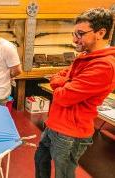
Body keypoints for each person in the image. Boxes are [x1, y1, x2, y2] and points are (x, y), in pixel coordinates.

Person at [35, 8, 115, 178]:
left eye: (80, 34)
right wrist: (65, 82)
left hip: (71, 133)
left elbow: (62, 96)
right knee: (40, 159)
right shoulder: (85, 56)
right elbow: (58, 77)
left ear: (100, 33)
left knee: (63, 173)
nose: (74, 39)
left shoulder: (104, 65)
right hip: (55, 124)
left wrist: (63, 83)